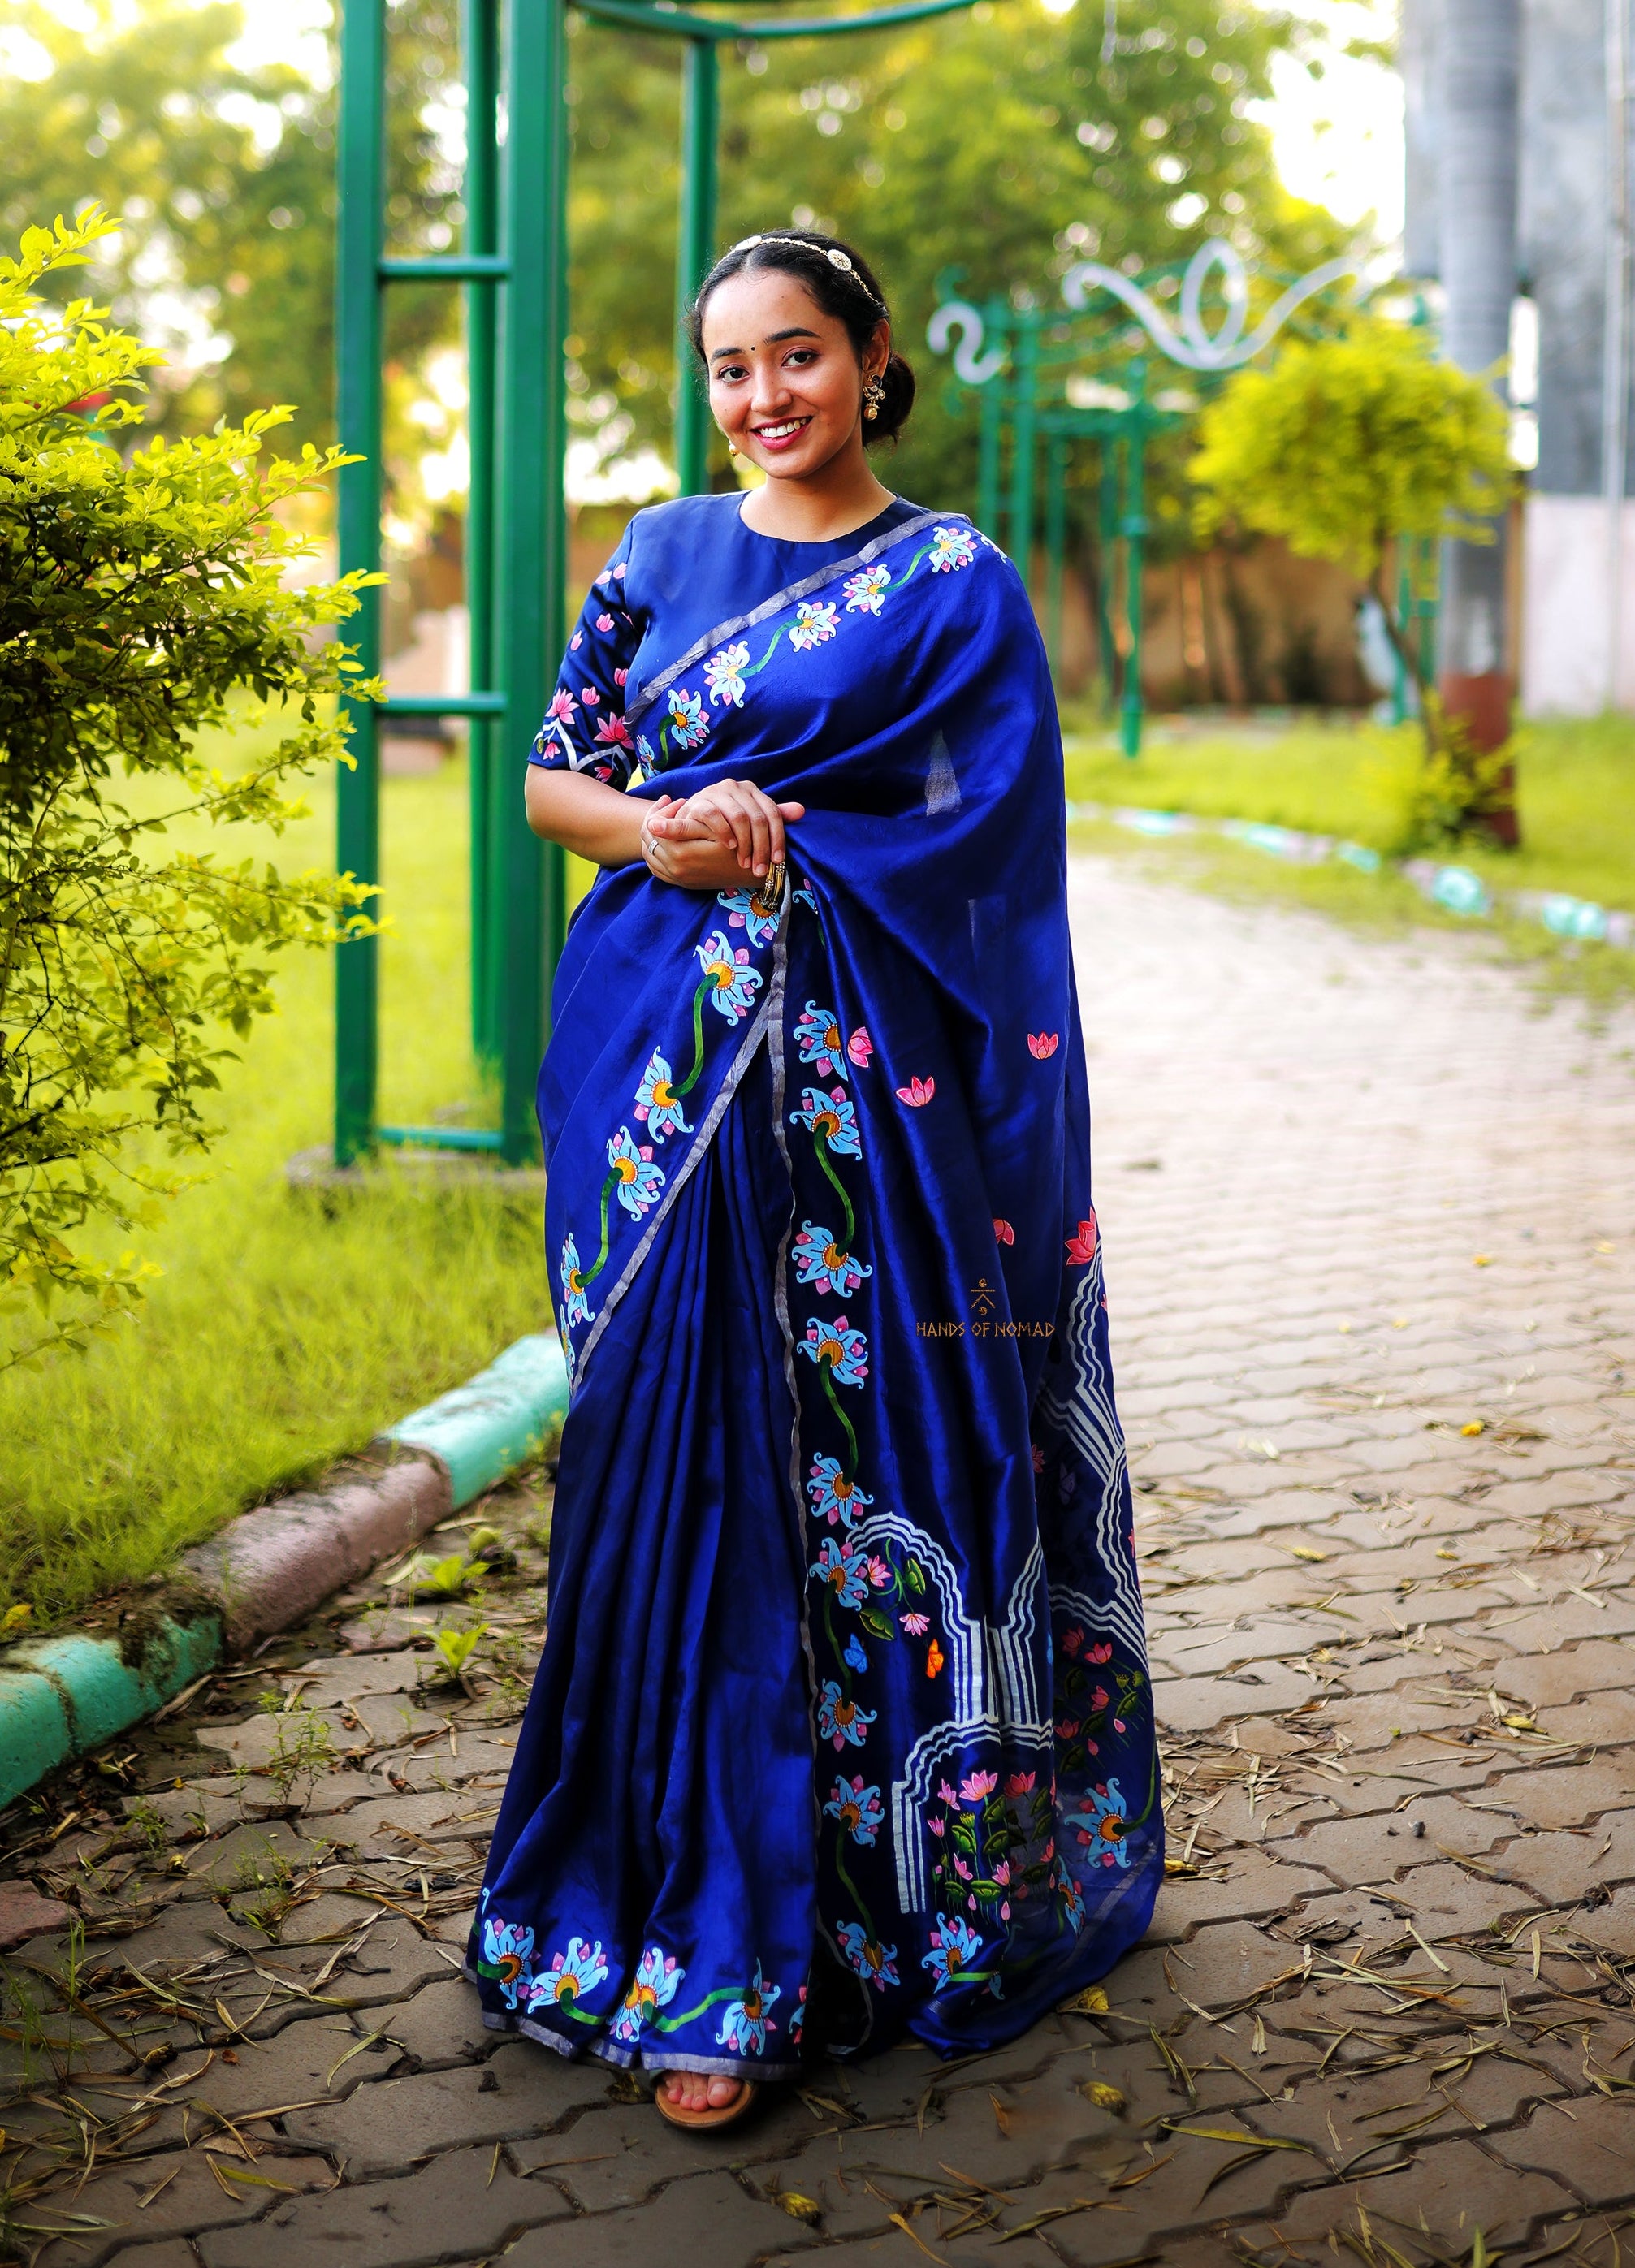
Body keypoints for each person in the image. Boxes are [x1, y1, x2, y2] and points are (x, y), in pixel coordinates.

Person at [464, 228, 1161, 2132]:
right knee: (664, 1467)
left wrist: (802, 860)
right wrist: (668, 836)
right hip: (652, 1087)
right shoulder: (661, 553)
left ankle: (822, 1941)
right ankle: (656, 1895)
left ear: (868, 360)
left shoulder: (953, 582)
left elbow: (988, 864)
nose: (761, 397)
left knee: (845, 1483)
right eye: (727, 367)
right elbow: (553, 779)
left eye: (795, 356)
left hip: (867, 1117)